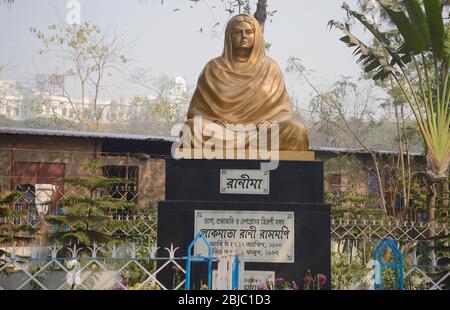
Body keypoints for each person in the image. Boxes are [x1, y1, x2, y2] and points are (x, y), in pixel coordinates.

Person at [183, 14, 309, 152]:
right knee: (192, 128)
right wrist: (214, 122)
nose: (244, 36)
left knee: (297, 130)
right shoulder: (213, 68)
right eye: (238, 32)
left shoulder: (270, 68)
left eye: (249, 32)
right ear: (229, 36)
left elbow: (284, 112)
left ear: (257, 36)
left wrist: (271, 122)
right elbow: (196, 112)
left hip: (260, 134)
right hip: (223, 134)